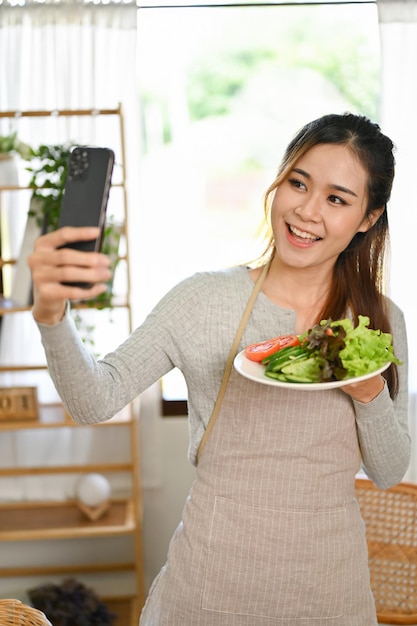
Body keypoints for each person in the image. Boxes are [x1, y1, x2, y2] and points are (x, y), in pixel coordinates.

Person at [28, 112, 410, 625]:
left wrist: (367, 390)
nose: (307, 210)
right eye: (298, 183)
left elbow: (389, 471)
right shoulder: (203, 299)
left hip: (329, 596)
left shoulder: (378, 322)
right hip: (208, 589)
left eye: (337, 198)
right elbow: (94, 400)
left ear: (368, 217)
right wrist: (52, 317)